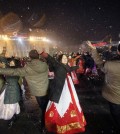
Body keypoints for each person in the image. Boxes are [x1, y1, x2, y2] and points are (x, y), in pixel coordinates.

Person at [0, 49, 49, 132]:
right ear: (38, 56)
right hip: (46, 89)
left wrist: (1, 70)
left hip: (37, 92)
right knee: (45, 107)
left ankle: (43, 125)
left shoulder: (28, 68)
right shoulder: (44, 64)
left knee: (43, 108)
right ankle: (45, 123)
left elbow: (13, 72)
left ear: (30, 57)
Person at [41, 52, 86, 134]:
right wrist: (46, 54)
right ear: (60, 60)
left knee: (69, 100)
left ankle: (69, 121)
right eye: (63, 58)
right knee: (59, 104)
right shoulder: (57, 64)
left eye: (66, 58)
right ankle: (57, 122)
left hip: (67, 86)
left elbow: (69, 69)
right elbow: (51, 59)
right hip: (59, 88)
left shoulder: (66, 65)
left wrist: (76, 66)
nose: (65, 59)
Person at [87, 41, 120, 132]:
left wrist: (93, 50)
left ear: (118, 51)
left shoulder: (110, 65)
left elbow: (99, 63)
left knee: (116, 114)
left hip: (114, 96)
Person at [0, 58, 21, 128]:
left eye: (12, 62)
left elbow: (6, 69)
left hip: (12, 89)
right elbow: (5, 62)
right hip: (9, 88)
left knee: (11, 105)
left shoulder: (14, 71)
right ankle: (13, 117)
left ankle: (12, 118)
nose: (10, 63)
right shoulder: (14, 69)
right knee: (8, 103)